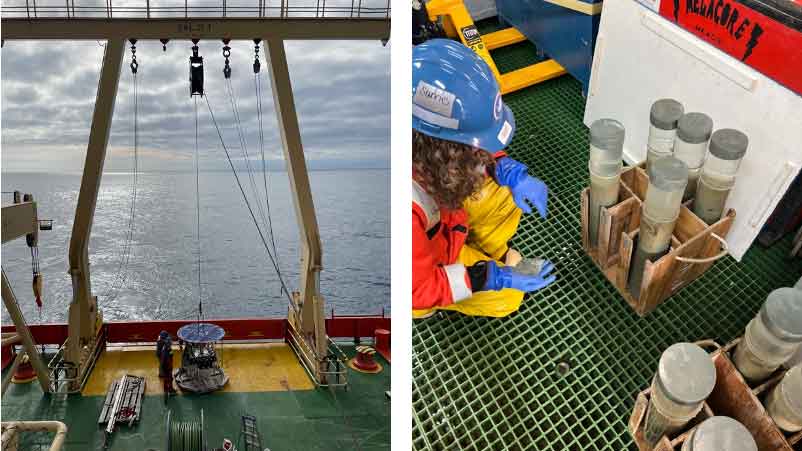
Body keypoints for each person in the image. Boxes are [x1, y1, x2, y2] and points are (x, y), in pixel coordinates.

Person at [412, 39, 557, 319]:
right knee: (507, 298)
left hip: (445, 222)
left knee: (502, 193)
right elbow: (419, 287)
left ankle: (492, 251)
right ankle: (437, 302)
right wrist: (492, 278)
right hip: (427, 270)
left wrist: (507, 170)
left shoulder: (429, 149)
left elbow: (469, 151)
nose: (480, 154)